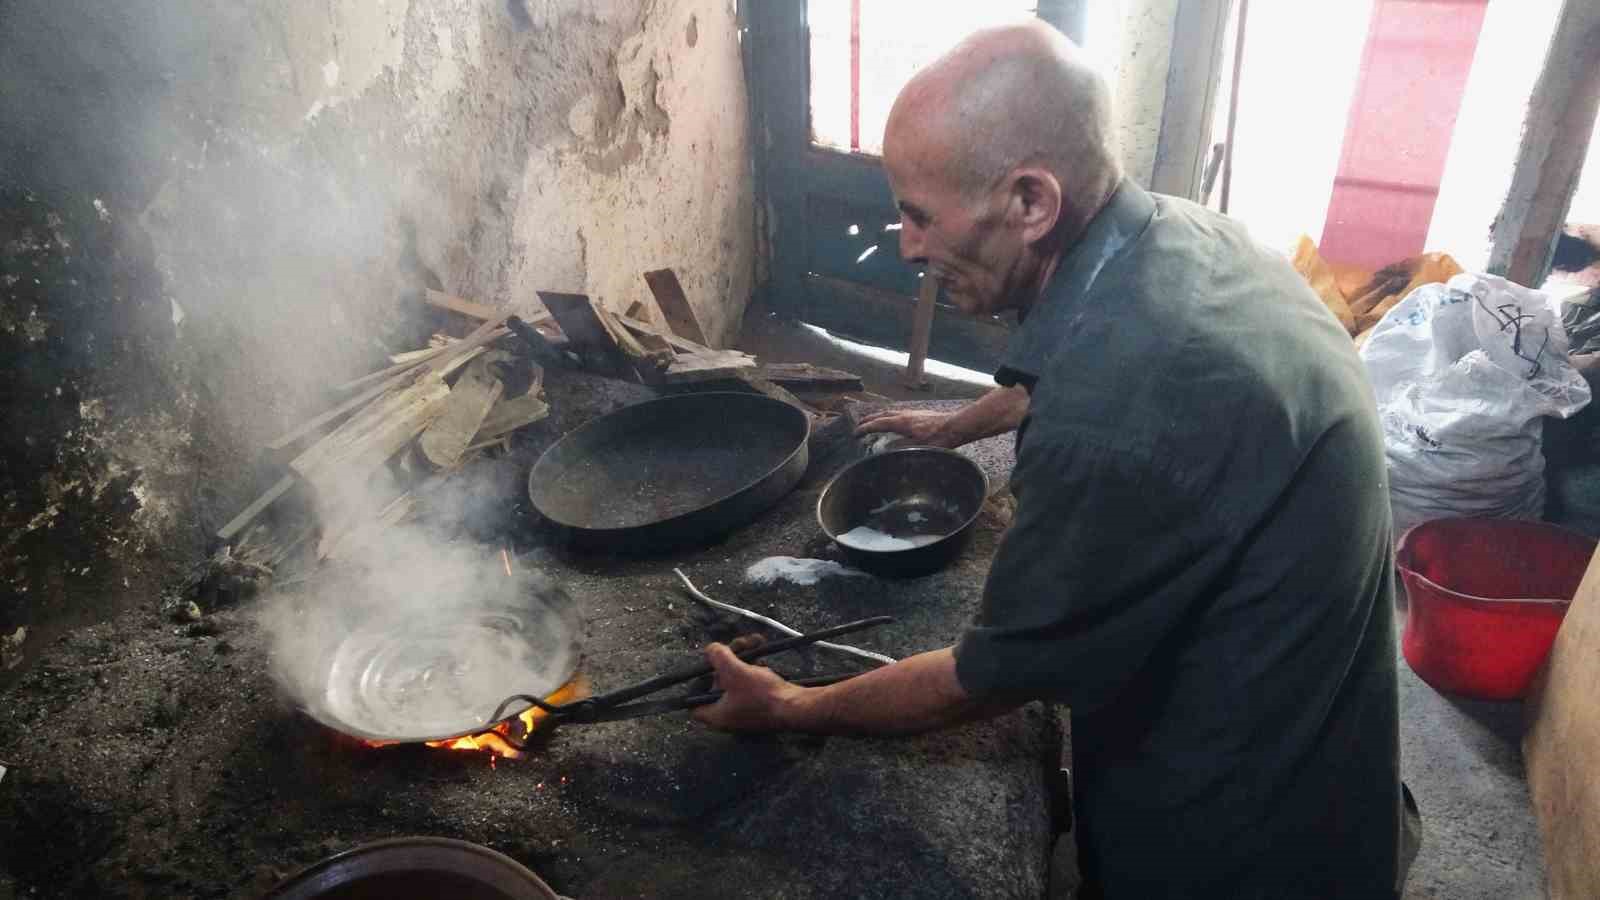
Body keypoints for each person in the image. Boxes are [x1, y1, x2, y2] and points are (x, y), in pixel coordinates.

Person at [695, 20, 1405, 900]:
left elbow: (989, 678)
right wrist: (961, 423)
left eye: (920, 213)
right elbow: (1080, 371)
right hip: (1332, 725)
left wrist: (790, 706)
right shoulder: (1182, 237)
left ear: (1031, 202)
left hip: (1246, 841)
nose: (908, 244)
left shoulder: (1118, 415)